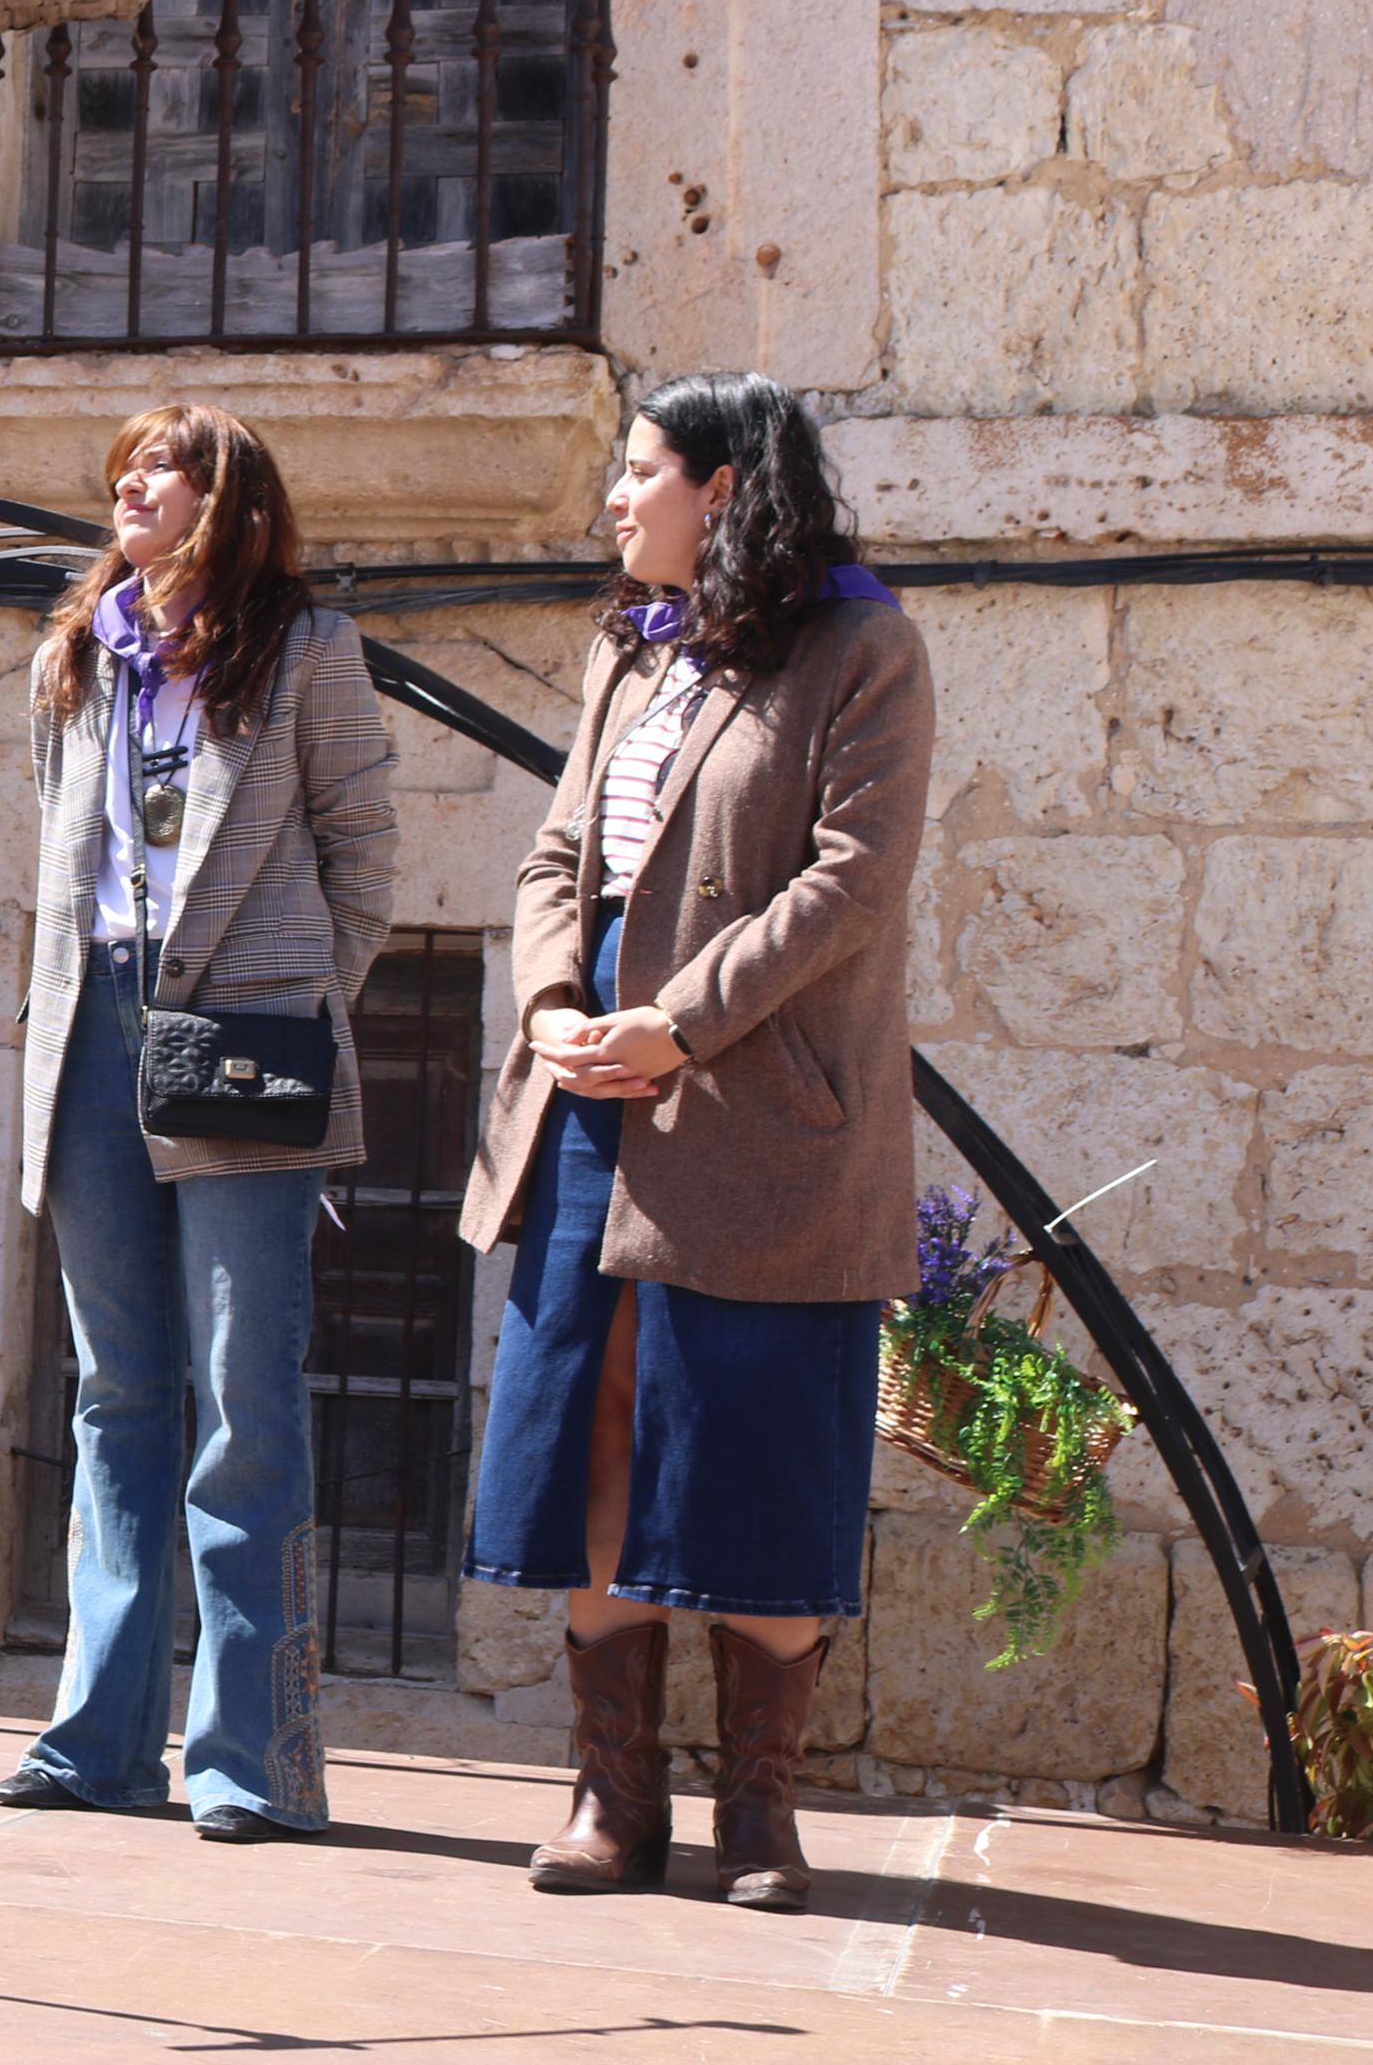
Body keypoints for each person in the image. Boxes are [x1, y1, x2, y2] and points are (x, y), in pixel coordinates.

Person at [458, 371, 933, 1914]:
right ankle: (613, 1799)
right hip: (590, 1088)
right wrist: (545, 1003)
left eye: (639, 469)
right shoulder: (625, 646)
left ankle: (758, 1813)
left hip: (752, 1106)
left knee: (754, 1445)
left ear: (722, 488)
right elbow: (554, 852)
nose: (612, 496)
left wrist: (676, 1018)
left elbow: (847, 881)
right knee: (591, 1423)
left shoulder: (861, 645)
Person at [0, 406, 396, 1841]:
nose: (127, 484)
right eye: (119, 467)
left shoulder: (304, 652)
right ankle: (97, 1740)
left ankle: (250, 1758)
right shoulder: (76, 656)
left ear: (226, 498)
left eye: (156, 466)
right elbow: (63, 862)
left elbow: (363, 857)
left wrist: (290, 1007)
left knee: (242, 1400)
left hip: (240, 1033)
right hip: (89, 1024)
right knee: (115, 1391)